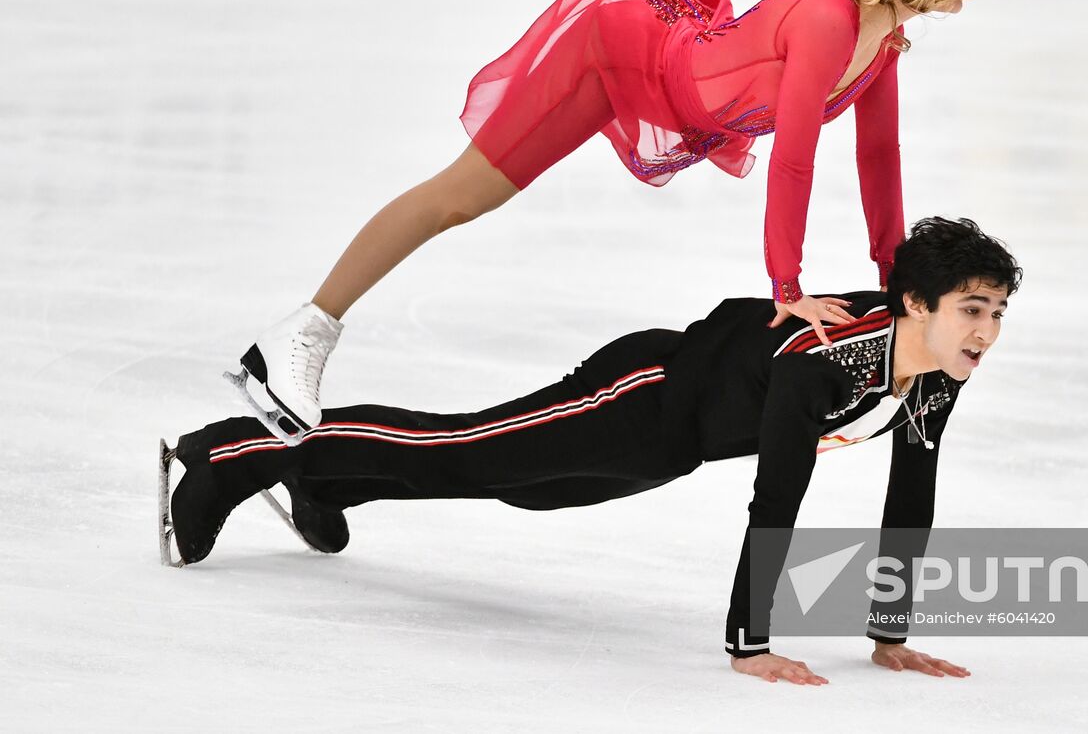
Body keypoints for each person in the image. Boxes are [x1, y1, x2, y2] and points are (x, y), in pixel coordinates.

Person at [224, 0, 986, 443]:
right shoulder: (828, 17)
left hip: (687, 51)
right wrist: (786, 290)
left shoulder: (885, 39)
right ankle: (302, 331)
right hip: (615, 55)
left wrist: (895, 284)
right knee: (464, 195)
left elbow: (877, 159)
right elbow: (792, 158)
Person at [165, 217, 1021, 685]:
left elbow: (911, 496)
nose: (984, 331)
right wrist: (749, 643)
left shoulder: (938, 368)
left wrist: (888, 633)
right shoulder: (821, 367)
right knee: (469, 449)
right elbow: (777, 503)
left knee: (528, 488)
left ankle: (336, 487)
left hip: (675, 442)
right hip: (642, 391)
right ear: (917, 302)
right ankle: (230, 455)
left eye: (995, 313)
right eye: (970, 309)